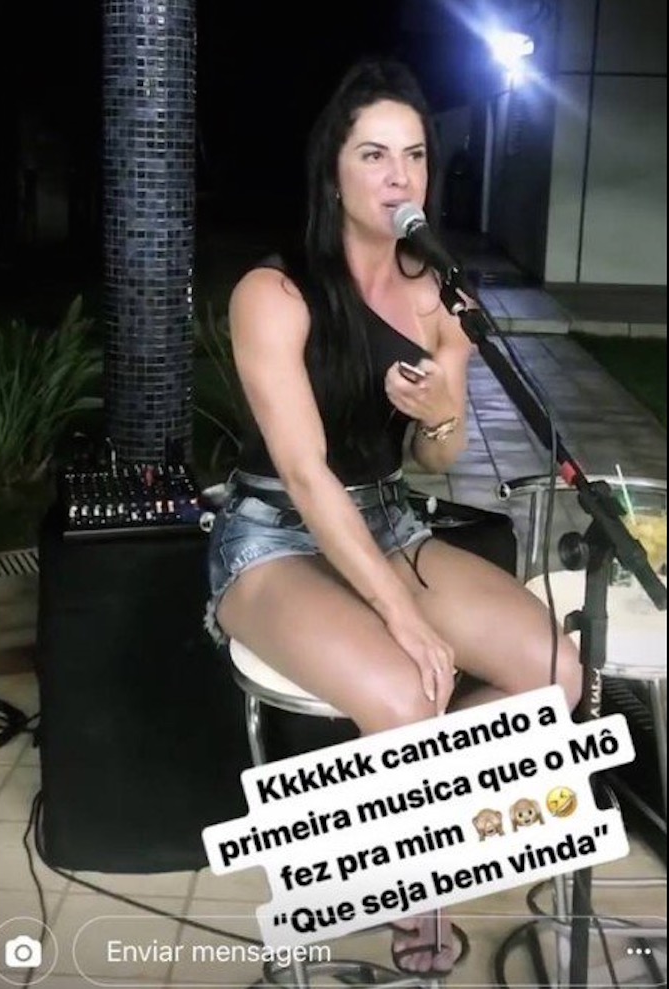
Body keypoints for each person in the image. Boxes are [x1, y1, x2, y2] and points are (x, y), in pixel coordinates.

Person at [205, 56, 582, 977]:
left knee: (557, 675)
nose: (397, 175)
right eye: (373, 154)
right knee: (411, 697)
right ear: (332, 169)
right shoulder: (273, 293)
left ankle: (382, 838)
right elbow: (304, 474)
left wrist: (441, 415)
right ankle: (417, 884)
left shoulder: (439, 295)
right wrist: (401, 615)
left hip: (387, 518)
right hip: (274, 534)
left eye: (413, 155)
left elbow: (433, 461)